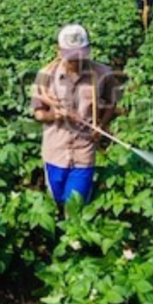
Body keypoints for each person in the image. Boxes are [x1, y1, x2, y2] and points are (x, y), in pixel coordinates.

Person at [30, 24, 121, 207]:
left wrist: (101, 125)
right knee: (57, 200)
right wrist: (55, 115)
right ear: (59, 51)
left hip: (83, 151)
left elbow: (112, 103)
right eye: (71, 57)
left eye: (80, 56)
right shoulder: (45, 75)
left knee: (76, 204)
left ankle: (74, 233)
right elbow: (38, 114)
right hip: (55, 151)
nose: (76, 61)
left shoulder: (103, 73)